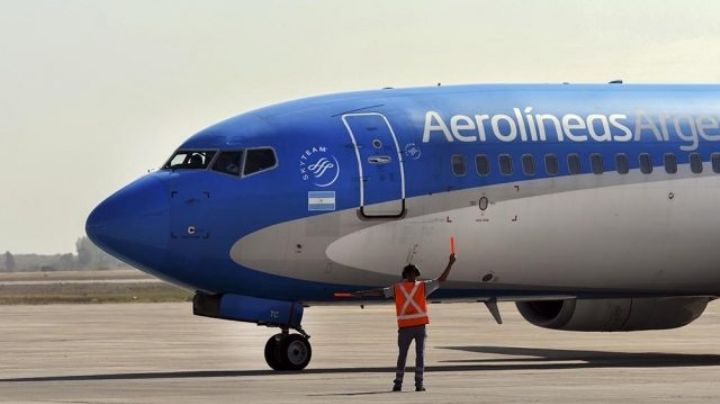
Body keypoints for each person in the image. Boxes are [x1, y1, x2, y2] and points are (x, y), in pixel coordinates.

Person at [354, 253, 456, 392]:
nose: (412, 276)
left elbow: (381, 292)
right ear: (414, 274)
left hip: (407, 328)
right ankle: (417, 384)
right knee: (418, 355)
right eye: (412, 273)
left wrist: (363, 294)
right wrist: (450, 263)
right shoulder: (422, 286)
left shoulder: (399, 288)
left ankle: (399, 384)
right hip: (417, 327)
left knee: (404, 355)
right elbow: (441, 280)